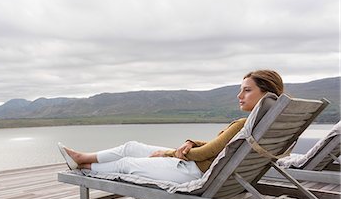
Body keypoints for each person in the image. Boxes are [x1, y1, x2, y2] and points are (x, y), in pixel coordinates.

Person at [58, 69, 284, 184]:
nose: (239, 95)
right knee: (130, 146)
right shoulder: (263, 126)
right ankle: (81, 156)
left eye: (247, 90)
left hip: (191, 173)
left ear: (266, 94)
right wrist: (191, 142)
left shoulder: (245, 124)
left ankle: (83, 168)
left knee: (126, 163)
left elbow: (208, 153)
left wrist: (165, 154)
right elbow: (221, 147)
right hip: (192, 166)